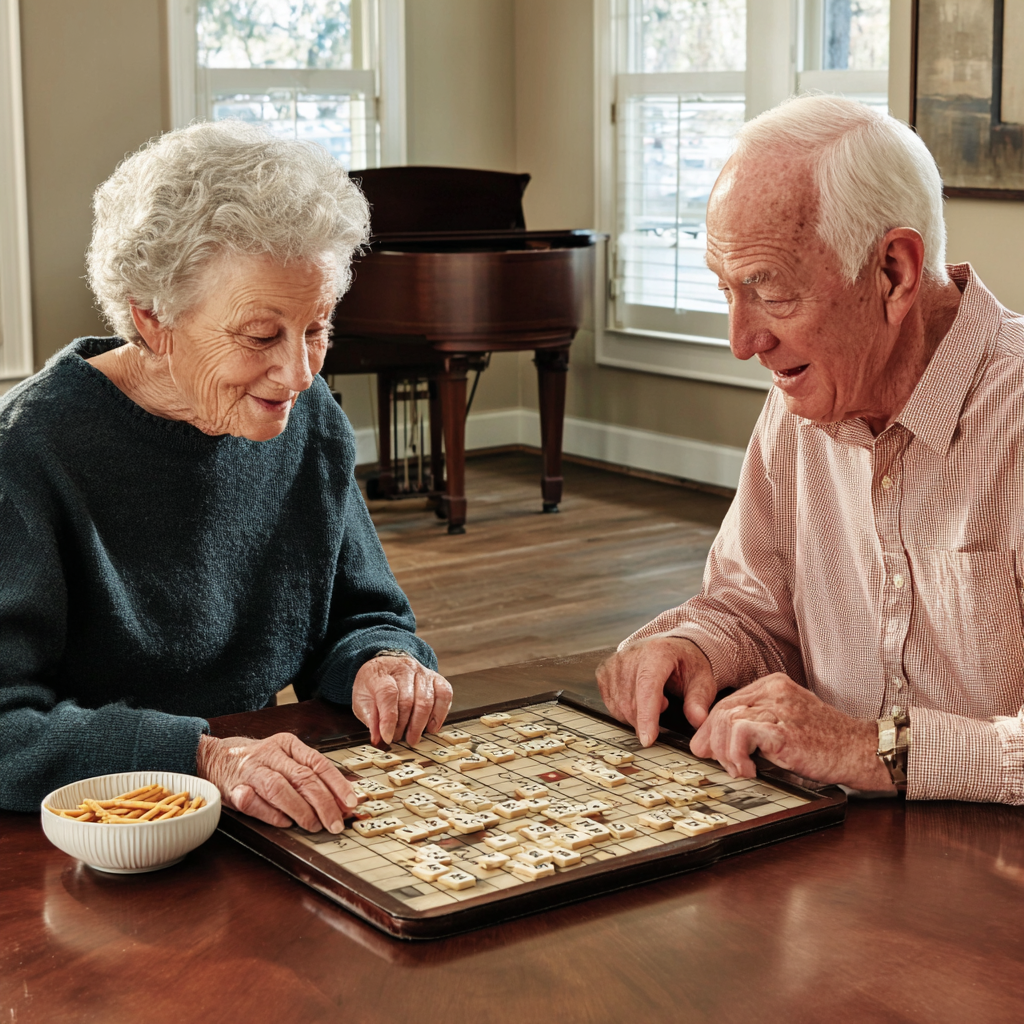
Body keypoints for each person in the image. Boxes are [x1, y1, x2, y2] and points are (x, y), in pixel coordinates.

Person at [0, 120, 452, 830]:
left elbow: (361, 613)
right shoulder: (24, 454)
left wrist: (382, 662)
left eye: (319, 327)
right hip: (88, 835)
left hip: (254, 800)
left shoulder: (308, 421)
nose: (300, 374)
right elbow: (5, 729)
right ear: (153, 321)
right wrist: (206, 757)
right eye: (261, 335)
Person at [598, 94, 1024, 804]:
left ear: (893, 271)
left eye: (770, 291)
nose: (742, 342)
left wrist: (874, 749)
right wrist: (695, 651)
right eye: (728, 290)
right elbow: (751, 613)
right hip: (833, 856)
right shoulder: (802, 398)